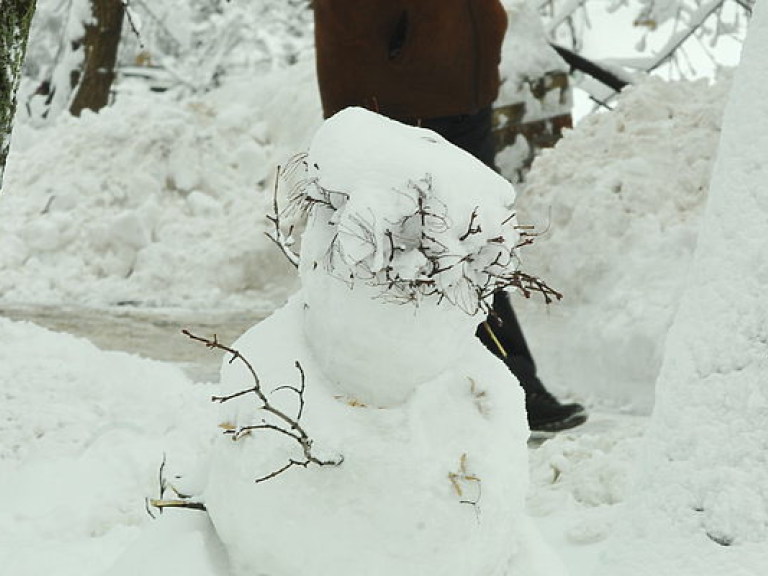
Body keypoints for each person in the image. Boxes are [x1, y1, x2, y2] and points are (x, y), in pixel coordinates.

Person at [313, 0, 587, 432]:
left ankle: (498, 387)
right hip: (398, 89)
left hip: (459, 87)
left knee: (473, 242)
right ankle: (489, 388)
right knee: (417, 250)